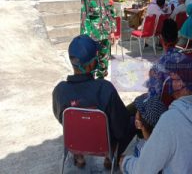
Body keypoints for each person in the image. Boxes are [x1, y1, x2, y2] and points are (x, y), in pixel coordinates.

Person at [120, 56, 192, 174]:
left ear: (180, 84)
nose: (169, 83)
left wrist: (125, 162)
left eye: (172, 79)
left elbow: (142, 170)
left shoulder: (169, 121)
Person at [52, 35, 133, 168]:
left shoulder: (60, 91)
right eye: (96, 56)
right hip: (103, 143)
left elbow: (61, 118)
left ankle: (79, 153)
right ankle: (110, 155)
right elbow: (120, 129)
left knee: (79, 122)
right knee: (131, 120)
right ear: (91, 64)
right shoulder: (105, 88)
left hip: (76, 140)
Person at [80, 0, 116, 78]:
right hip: (93, 36)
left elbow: (110, 11)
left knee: (104, 64)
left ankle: (102, 84)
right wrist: (85, 37)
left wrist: (112, 31)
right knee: (91, 64)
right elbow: (84, 15)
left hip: (105, 34)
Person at [121, 94, 167, 173]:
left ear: (138, 123)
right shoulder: (166, 142)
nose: (135, 112)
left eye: (137, 111)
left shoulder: (144, 152)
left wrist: (125, 163)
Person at [145, 19, 184, 97]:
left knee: (137, 101)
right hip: (182, 101)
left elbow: (153, 96)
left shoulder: (156, 67)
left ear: (161, 39)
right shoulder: (187, 59)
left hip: (165, 106)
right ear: (177, 39)